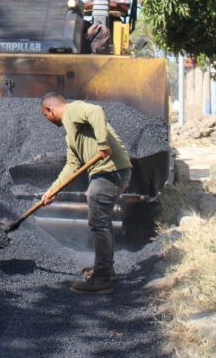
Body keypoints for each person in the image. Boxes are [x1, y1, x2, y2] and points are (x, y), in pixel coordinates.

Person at [39, 92, 132, 294]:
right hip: (111, 172)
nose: (47, 120)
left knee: (97, 221)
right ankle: (106, 269)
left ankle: (102, 279)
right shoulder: (71, 134)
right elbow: (72, 165)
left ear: (50, 109)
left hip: (110, 171)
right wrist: (53, 190)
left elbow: (96, 111)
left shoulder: (73, 110)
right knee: (102, 220)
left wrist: (103, 144)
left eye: (45, 116)